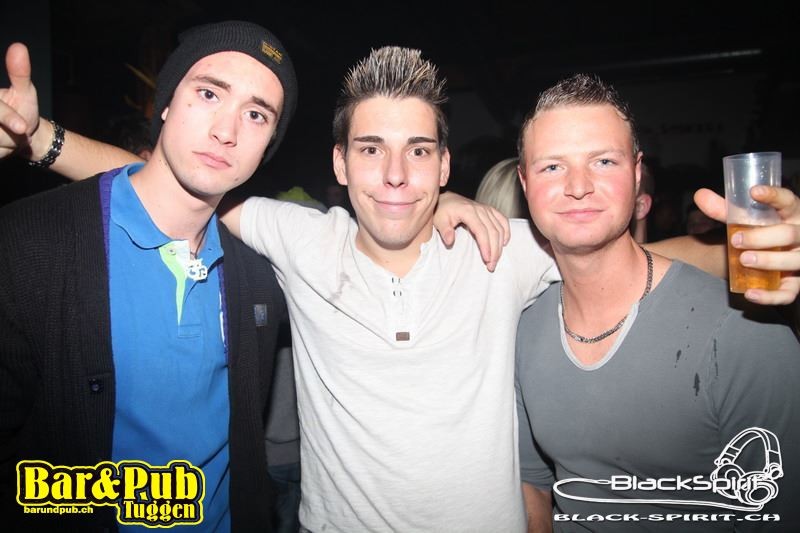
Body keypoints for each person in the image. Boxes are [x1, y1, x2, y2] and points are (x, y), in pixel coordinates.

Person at [4, 43, 800, 532]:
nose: (394, 174)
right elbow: (166, 181)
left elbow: (631, 254)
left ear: (445, 166)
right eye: (371, 150)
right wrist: (39, 138)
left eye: (418, 152)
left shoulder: (501, 249)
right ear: (340, 164)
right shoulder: (301, 238)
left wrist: (765, 246)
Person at [0, 21, 296, 531]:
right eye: (208, 93)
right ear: (166, 102)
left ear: (268, 142)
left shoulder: (259, 275)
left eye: (256, 115)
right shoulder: (32, 243)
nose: (226, 131)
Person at [515, 73, 800, 532]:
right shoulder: (524, 326)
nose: (578, 185)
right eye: (552, 167)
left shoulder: (743, 333)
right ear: (524, 182)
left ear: (636, 172)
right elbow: (534, 484)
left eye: (603, 161)